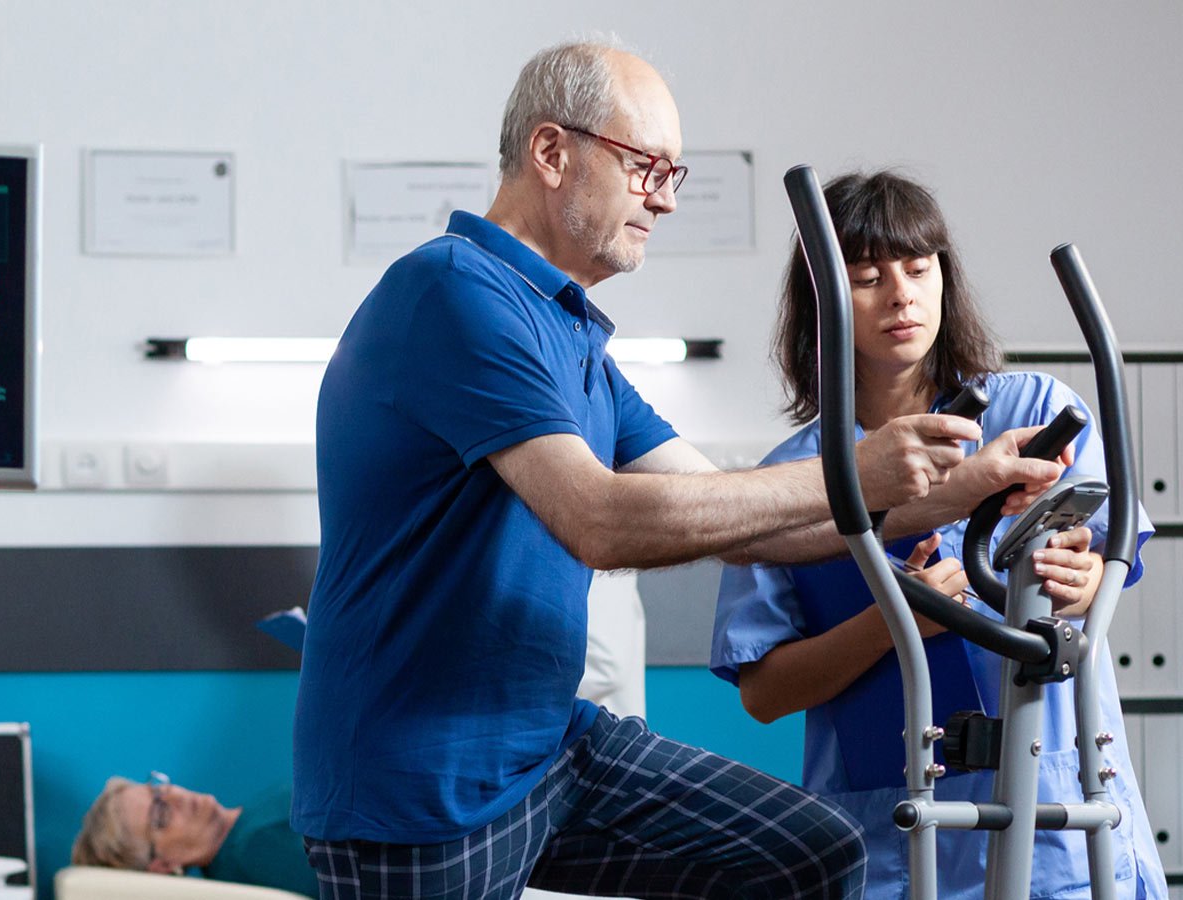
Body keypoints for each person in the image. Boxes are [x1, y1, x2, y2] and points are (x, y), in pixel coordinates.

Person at [295, 40, 1068, 900]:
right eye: (645, 167)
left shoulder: (572, 333)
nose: (663, 199)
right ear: (553, 153)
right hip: (419, 781)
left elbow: (756, 525)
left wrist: (951, 491)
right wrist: (857, 468)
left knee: (812, 852)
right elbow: (601, 519)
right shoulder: (455, 293)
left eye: (675, 173)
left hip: (544, 750)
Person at [708, 170, 1168, 900]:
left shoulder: (1033, 409)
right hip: (886, 829)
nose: (901, 294)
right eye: (866, 276)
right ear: (823, 299)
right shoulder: (792, 477)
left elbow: (1104, 567)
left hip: (1053, 813)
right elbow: (764, 691)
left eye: (920, 269)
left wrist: (1080, 587)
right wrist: (902, 621)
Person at [73, 772, 319, 898]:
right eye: (161, 814)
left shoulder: (247, 828)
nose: (176, 796)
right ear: (161, 866)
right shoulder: (254, 849)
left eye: (158, 789)